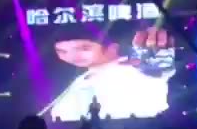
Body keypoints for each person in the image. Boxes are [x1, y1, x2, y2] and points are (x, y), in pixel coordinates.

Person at [45, 23, 175, 121]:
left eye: (84, 48)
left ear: (112, 46)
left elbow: (156, 72)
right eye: (62, 51)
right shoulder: (82, 79)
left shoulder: (134, 69)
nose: (73, 56)